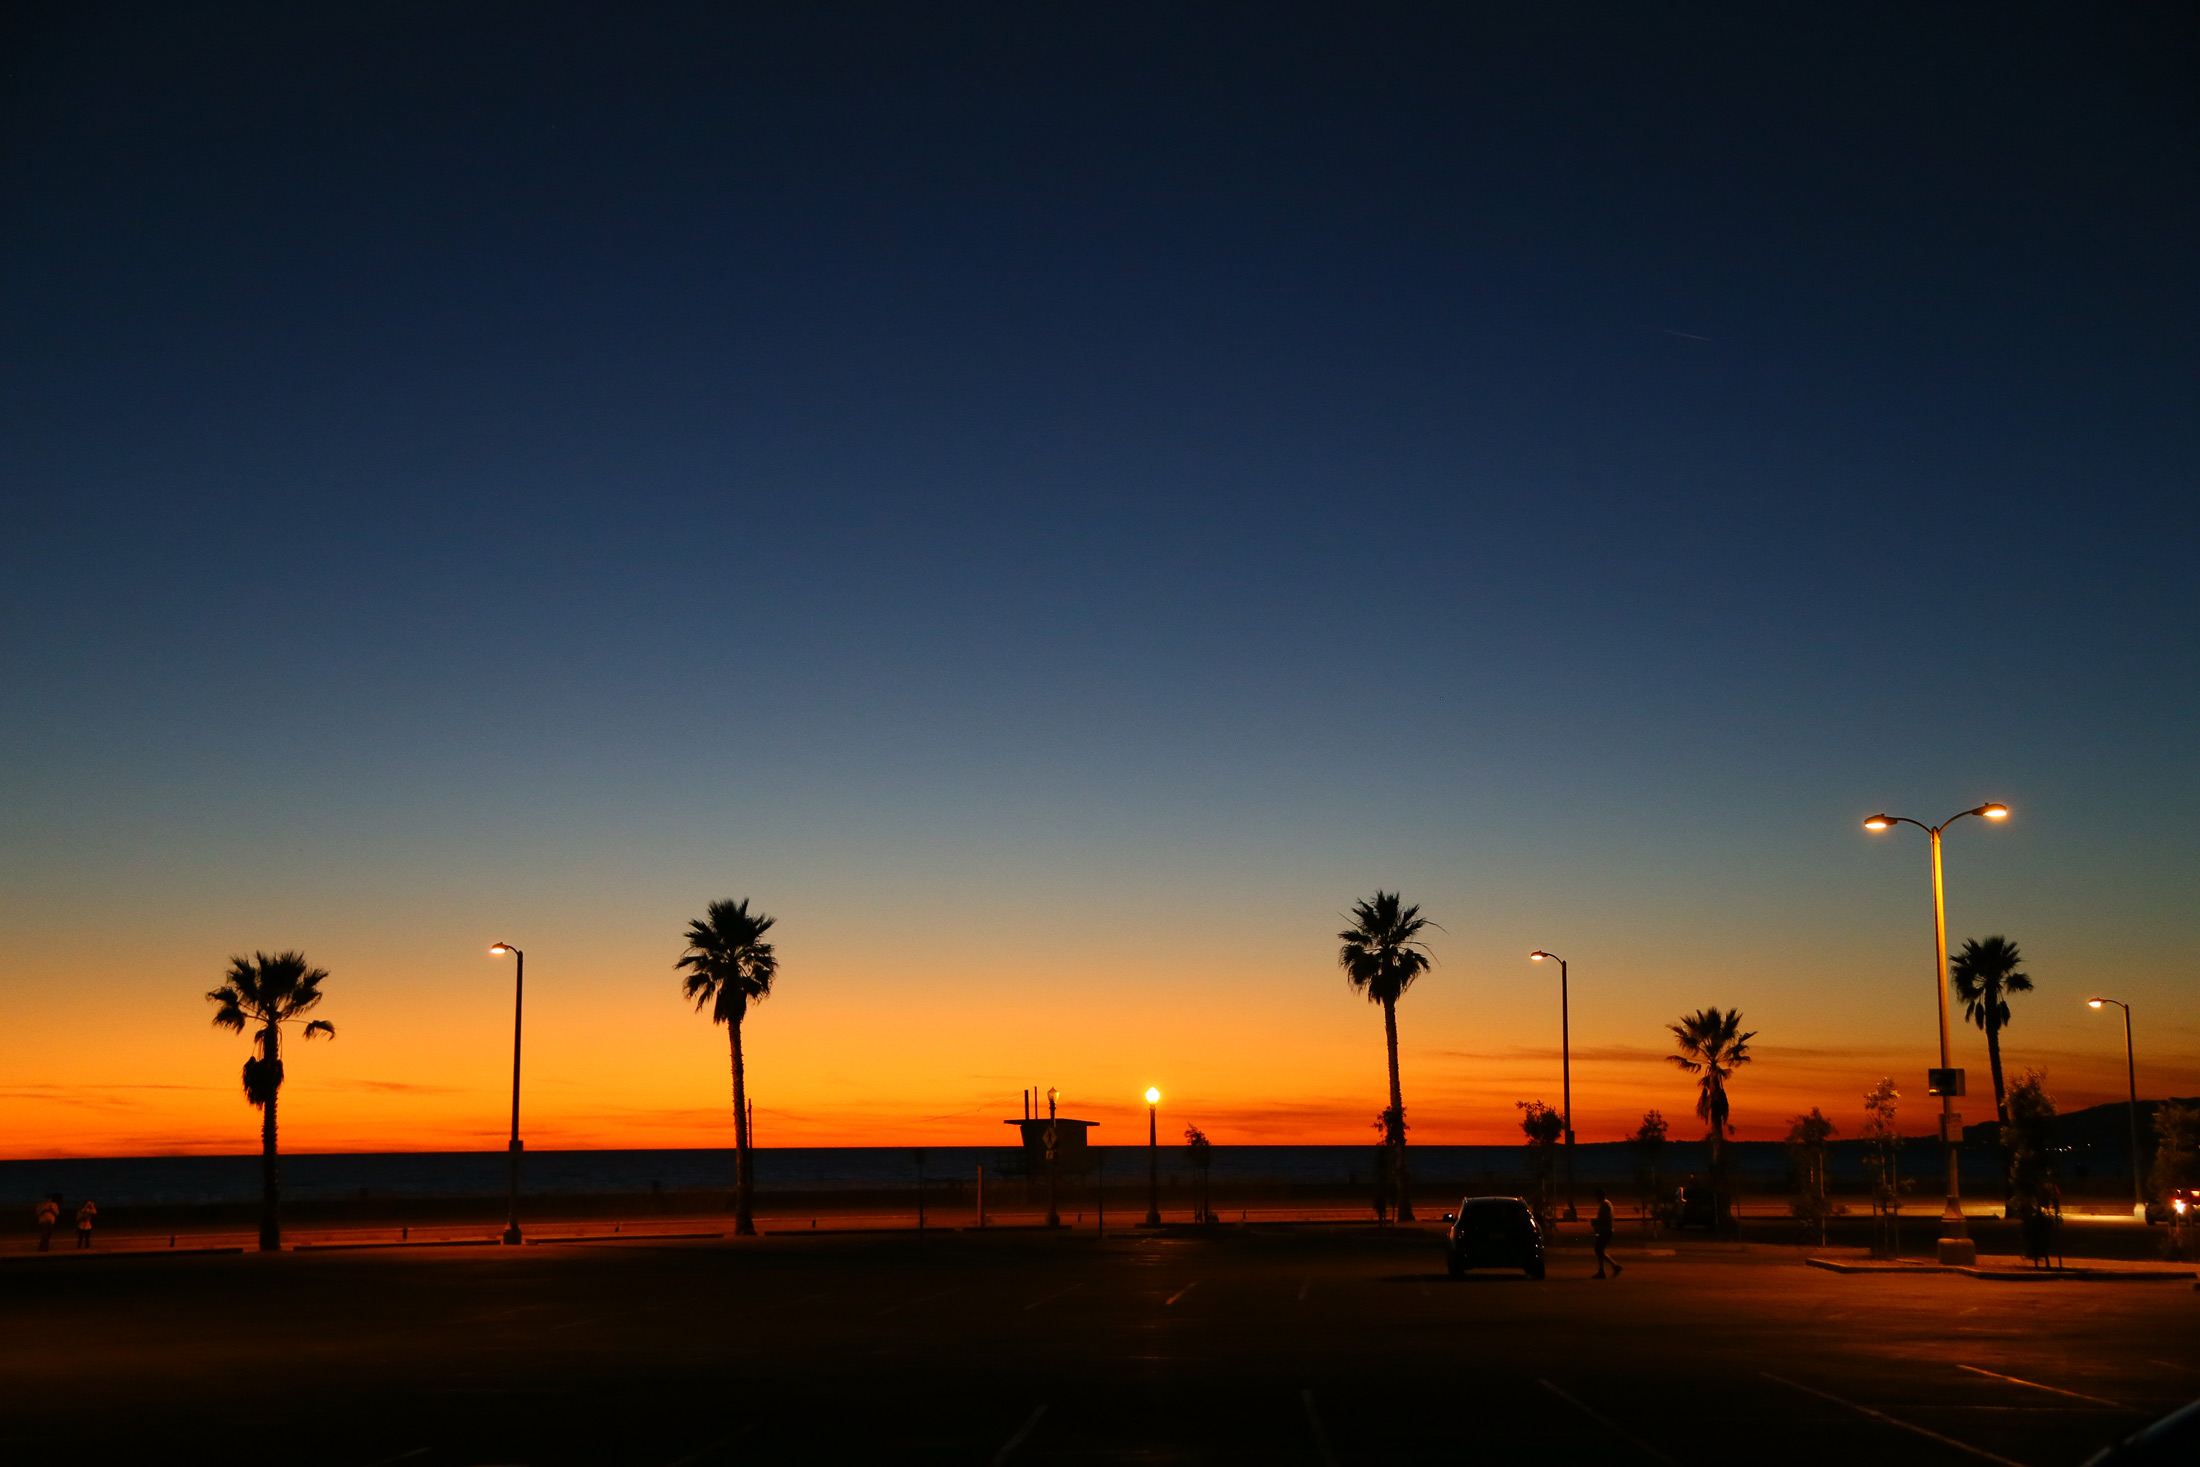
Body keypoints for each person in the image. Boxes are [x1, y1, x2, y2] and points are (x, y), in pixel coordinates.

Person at [1593, 1189, 1622, 1278]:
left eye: (1597, 1196)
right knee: (1599, 1250)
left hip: (1605, 1231)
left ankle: (1614, 1266)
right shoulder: (1606, 1203)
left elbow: (1605, 1218)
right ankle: (1603, 1270)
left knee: (1599, 1250)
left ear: (1601, 1196)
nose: (1596, 1199)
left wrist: (1596, 1222)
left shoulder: (1604, 1204)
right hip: (1606, 1230)